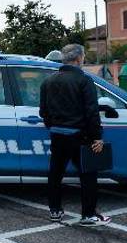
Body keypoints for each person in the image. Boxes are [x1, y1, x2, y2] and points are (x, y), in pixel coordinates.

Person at [39, 44, 110, 226]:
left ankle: (55, 211)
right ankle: (88, 214)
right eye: (84, 57)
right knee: (87, 174)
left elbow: (43, 111)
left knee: (55, 174)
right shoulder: (84, 80)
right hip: (80, 136)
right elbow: (92, 112)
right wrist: (97, 137)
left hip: (57, 135)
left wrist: (53, 126)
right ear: (79, 59)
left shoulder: (48, 81)